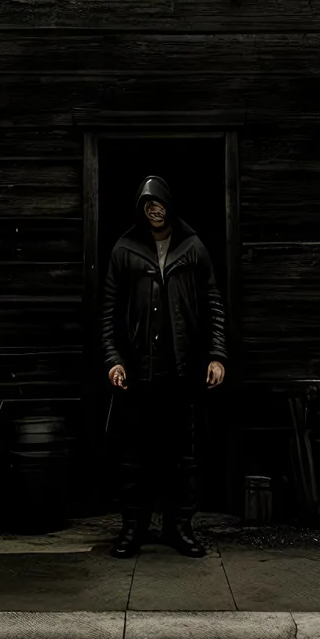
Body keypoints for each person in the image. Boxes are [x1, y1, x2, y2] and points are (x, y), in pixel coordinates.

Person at [102, 175, 227, 558]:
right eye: (146, 204)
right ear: (140, 210)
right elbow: (107, 312)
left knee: (183, 459)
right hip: (138, 373)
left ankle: (180, 528)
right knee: (134, 459)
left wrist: (218, 355)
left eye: (159, 203)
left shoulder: (192, 247)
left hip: (182, 371)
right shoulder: (125, 250)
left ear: (170, 206)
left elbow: (214, 305)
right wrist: (114, 361)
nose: (154, 210)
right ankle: (132, 530)